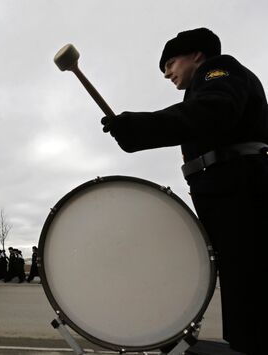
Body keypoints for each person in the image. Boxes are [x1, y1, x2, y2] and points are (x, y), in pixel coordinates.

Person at [101, 27, 268, 354]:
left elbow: (214, 111)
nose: (167, 73)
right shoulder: (200, 90)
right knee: (239, 286)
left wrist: (140, 127)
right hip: (229, 196)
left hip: (242, 196)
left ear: (197, 55)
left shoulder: (219, 70)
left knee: (249, 288)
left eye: (171, 62)